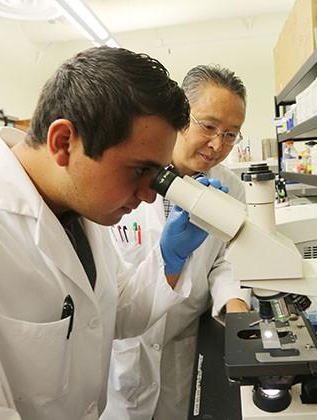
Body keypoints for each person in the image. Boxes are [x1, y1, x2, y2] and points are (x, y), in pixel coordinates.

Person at [0, 47, 223, 420]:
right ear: (64, 142)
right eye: (139, 170)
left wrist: (168, 259)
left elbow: (115, 312)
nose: (148, 195)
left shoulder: (79, 205)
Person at [102, 64, 251, 420]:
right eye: (210, 126)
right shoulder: (130, 176)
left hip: (184, 343)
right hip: (125, 347)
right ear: (182, 116)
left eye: (231, 134)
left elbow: (227, 259)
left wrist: (235, 307)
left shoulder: (231, 187)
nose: (218, 145)